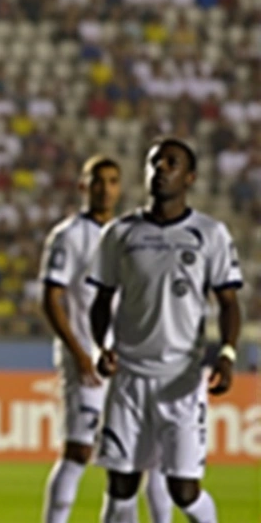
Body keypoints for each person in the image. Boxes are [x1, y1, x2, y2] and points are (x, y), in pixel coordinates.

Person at [89, 139, 244, 523]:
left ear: (189, 177)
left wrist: (227, 354)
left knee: (184, 491)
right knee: (121, 484)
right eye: (154, 162)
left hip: (182, 381)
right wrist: (100, 345)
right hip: (129, 379)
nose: (160, 168)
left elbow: (228, 303)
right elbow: (102, 299)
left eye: (171, 163)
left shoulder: (210, 234)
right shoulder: (120, 233)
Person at [39, 157, 173, 523]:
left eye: (113, 181)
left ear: (120, 187)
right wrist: (80, 353)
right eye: (98, 181)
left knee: (136, 459)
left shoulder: (129, 235)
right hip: (84, 358)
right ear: (83, 186)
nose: (105, 188)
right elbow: (51, 298)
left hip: (126, 361)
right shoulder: (68, 235)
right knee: (79, 451)